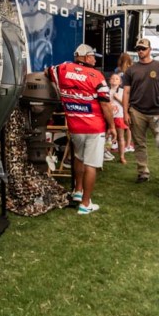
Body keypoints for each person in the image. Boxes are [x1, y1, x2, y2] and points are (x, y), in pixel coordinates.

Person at [48, 44, 114, 215]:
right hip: (94, 127)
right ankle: (85, 203)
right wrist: (112, 126)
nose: (95, 60)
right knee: (91, 164)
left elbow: (47, 73)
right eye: (93, 57)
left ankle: (78, 191)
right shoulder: (96, 75)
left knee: (78, 157)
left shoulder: (62, 69)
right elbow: (105, 104)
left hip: (75, 126)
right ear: (85, 57)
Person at [121, 37, 159, 183]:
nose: (140, 51)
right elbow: (126, 92)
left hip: (157, 112)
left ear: (150, 49)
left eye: (143, 48)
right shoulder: (131, 70)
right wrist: (125, 112)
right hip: (137, 111)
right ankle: (143, 172)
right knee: (139, 144)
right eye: (138, 49)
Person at [115, 51, 134, 152]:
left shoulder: (117, 70)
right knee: (129, 123)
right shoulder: (132, 70)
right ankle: (128, 145)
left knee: (119, 119)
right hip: (129, 94)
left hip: (119, 94)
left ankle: (117, 142)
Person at [108, 73, 128, 164]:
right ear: (109, 81)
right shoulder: (106, 91)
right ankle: (106, 154)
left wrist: (117, 99)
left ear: (120, 82)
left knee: (121, 137)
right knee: (107, 136)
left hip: (119, 116)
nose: (114, 80)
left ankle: (122, 156)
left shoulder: (122, 91)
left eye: (117, 79)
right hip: (108, 117)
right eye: (112, 78)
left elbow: (126, 105)